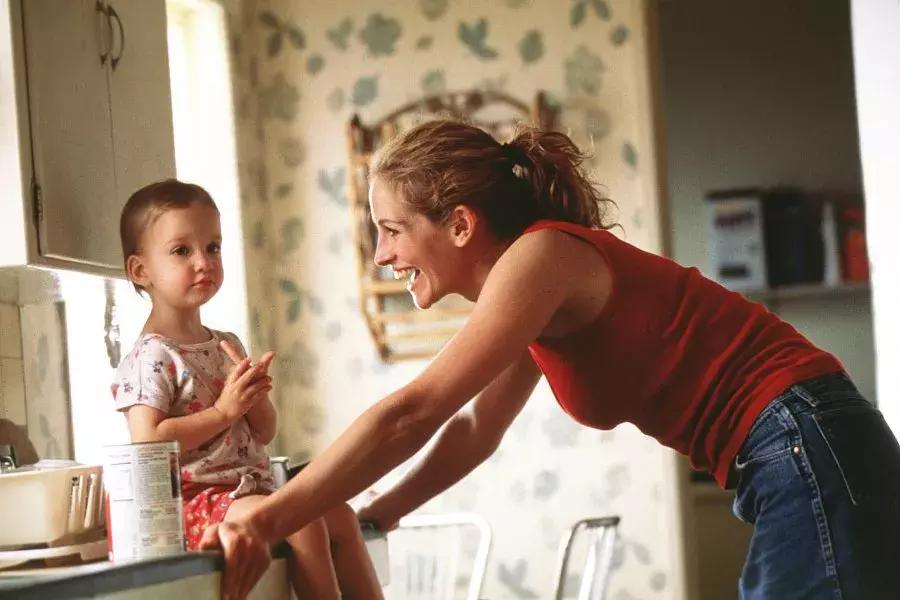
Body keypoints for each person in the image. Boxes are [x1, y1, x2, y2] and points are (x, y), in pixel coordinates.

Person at [200, 121, 900, 600]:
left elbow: (411, 414)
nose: (381, 255)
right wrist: (378, 513)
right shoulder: (532, 291)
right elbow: (475, 432)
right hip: (796, 451)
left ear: (462, 224)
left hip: (803, 439)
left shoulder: (541, 259)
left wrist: (267, 518)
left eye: (390, 231)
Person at [112, 179, 383, 600]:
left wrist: (254, 403)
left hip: (247, 491)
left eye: (213, 247)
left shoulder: (226, 343)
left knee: (340, 515)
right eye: (182, 250)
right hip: (196, 502)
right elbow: (148, 444)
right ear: (140, 270)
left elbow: (263, 433)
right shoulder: (152, 357)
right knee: (302, 520)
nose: (203, 261)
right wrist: (223, 411)